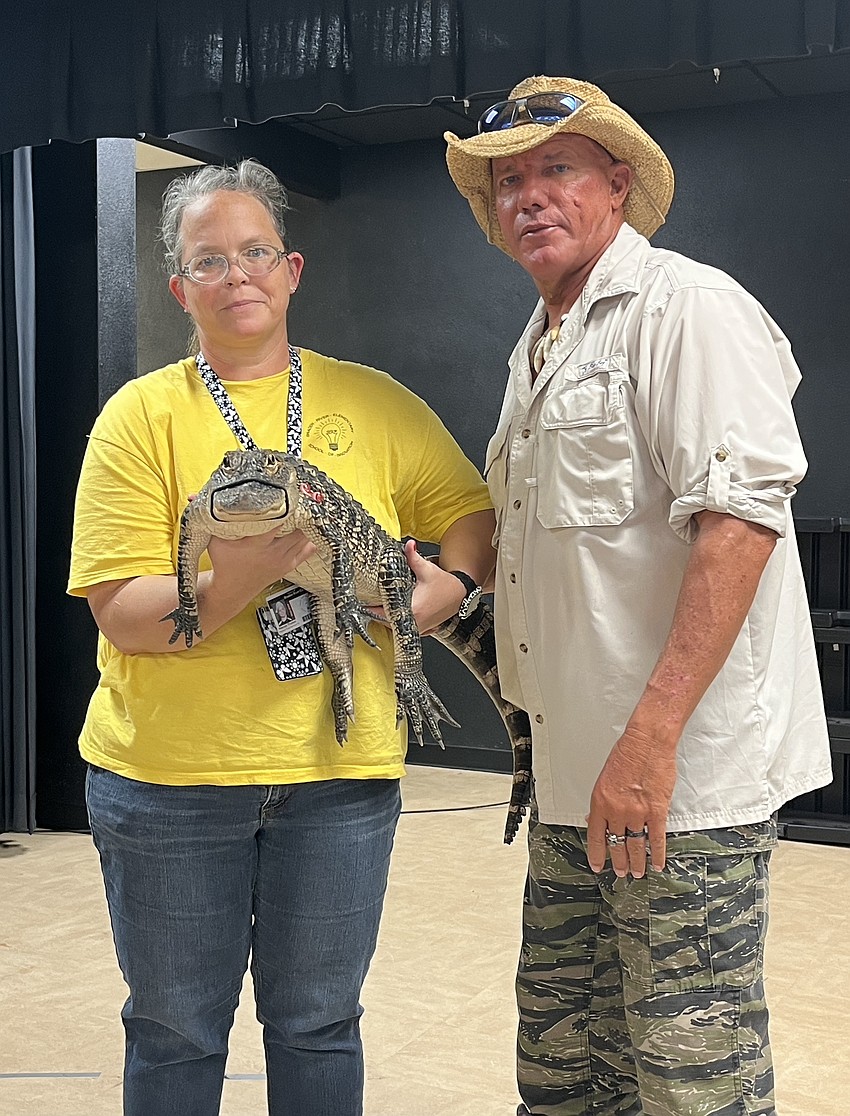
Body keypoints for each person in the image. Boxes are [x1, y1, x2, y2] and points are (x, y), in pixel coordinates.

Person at [68, 159, 495, 1116]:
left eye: (256, 252)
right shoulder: (139, 418)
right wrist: (250, 574)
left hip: (338, 780)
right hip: (170, 784)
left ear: (292, 269)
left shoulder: (372, 401)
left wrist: (452, 585)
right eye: (209, 260)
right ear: (179, 288)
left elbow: (472, 512)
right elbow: (123, 611)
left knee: (318, 1025)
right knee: (176, 1031)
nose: (238, 276)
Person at [444, 76, 832, 1116]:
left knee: (689, 1075)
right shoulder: (538, 348)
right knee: (566, 1068)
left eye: (557, 169)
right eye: (508, 181)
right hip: (575, 781)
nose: (529, 196)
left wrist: (651, 741)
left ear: (616, 186)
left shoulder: (687, 309)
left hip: (677, 784)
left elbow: (739, 525)